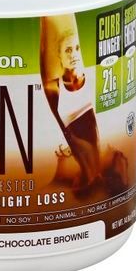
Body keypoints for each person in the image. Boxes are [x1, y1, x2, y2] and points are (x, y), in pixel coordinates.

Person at [40, 16, 101, 190]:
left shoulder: (89, 77)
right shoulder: (54, 86)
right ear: (58, 55)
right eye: (68, 50)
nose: (74, 54)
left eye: (77, 48)